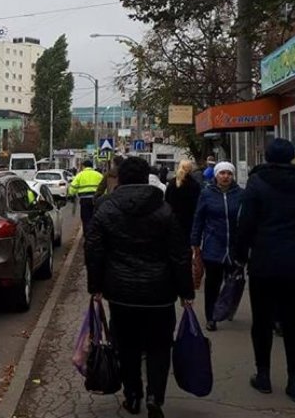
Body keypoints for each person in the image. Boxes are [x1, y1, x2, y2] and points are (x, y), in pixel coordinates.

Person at [85, 156, 194, 418]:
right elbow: (179, 254)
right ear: (147, 178)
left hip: (121, 293)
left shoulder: (106, 208)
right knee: (159, 346)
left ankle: (133, 396)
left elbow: (94, 250)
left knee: (126, 346)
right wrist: (186, 292)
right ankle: (155, 396)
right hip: (160, 293)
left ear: (120, 178)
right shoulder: (165, 209)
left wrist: (95, 287)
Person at [236, 138, 295, 403]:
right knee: (294, 323)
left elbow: (246, 223)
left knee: (262, 321)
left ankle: (264, 376)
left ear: (267, 156)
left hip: (265, 261)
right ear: (292, 156)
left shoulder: (257, 183)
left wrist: (239, 255)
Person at [190, 161, 243, 331]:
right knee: (213, 284)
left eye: (229, 173)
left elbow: (247, 219)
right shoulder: (207, 194)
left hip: (235, 247)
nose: (225, 176)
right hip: (214, 245)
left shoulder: (240, 194)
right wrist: (195, 243)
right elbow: (198, 219)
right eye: (222, 173)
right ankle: (211, 317)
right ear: (216, 175)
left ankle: (227, 308)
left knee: (234, 282)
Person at [164, 160, 201, 240]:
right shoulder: (194, 185)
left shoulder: (172, 183)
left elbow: (166, 201)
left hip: (173, 220)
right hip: (189, 221)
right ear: (191, 169)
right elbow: (197, 204)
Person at [69, 159, 104, 232]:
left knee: (86, 219)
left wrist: (71, 194)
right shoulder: (99, 175)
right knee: (96, 218)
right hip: (97, 200)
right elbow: (104, 187)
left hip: (85, 201)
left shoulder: (80, 175)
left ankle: (87, 235)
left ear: (84, 166)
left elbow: (72, 188)